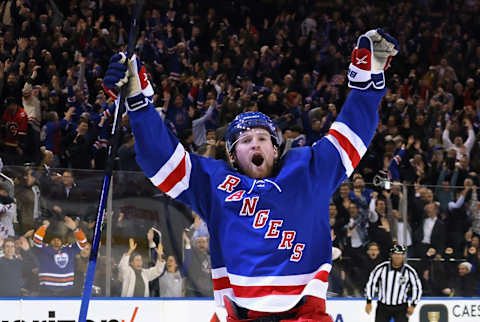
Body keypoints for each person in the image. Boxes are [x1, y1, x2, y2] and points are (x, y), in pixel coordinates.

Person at [103, 28, 398, 321]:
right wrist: (138, 103)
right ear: (232, 156)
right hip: (240, 315)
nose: (254, 142)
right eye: (244, 141)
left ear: (276, 148)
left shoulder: (309, 170)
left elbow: (352, 132)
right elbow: (160, 159)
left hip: (305, 315)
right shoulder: (214, 182)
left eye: (262, 138)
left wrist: (367, 80)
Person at [32, 217, 88, 296]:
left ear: (62, 242)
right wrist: (44, 226)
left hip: (67, 291)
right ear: (49, 241)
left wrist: (75, 229)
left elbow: (83, 243)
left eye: (58, 240)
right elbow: (36, 240)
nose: (56, 241)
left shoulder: (69, 250)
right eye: (54, 239)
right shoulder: (44, 249)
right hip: (46, 291)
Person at [365, 245, 422, 322]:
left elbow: (417, 288)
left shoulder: (409, 271)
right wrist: (369, 301)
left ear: (403, 256)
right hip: (383, 306)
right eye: (395, 254)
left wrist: (413, 305)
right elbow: (371, 283)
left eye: (400, 254)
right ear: (391, 255)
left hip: (401, 307)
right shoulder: (382, 268)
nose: (397, 256)